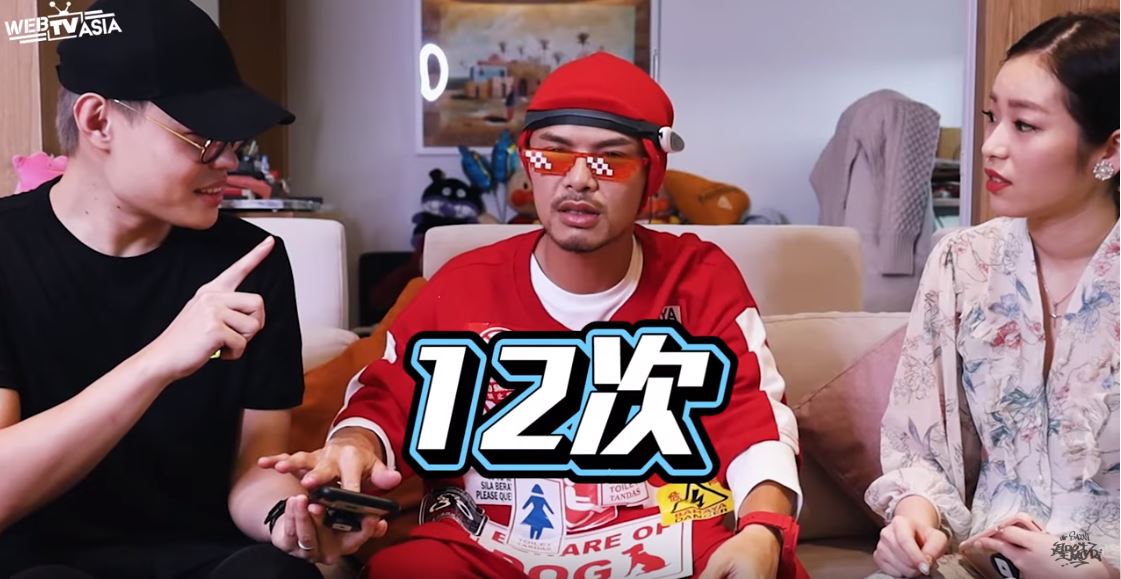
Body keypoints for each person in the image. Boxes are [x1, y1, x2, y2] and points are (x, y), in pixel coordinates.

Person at [261, 52, 807, 578]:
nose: (579, 180)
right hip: (487, 546)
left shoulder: (699, 278)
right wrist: (354, 446)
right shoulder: (462, 285)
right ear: (529, 163)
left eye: (611, 159)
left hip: (667, 539)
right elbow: (384, 399)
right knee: (409, 568)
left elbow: (754, 421)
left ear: (651, 174)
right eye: (554, 155)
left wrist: (763, 529)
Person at [0, 0, 382, 577]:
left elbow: (254, 469)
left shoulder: (251, 261)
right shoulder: (8, 252)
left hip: (202, 556)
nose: (229, 161)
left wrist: (289, 518)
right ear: (98, 121)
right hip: (39, 561)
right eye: (202, 138)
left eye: (234, 140)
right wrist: (159, 361)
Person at [865, 11, 1119, 579]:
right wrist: (915, 517)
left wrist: (1085, 566)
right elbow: (920, 447)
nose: (991, 146)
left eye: (1024, 125)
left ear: (1110, 150)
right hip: (983, 562)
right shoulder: (963, 261)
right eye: (991, 117)